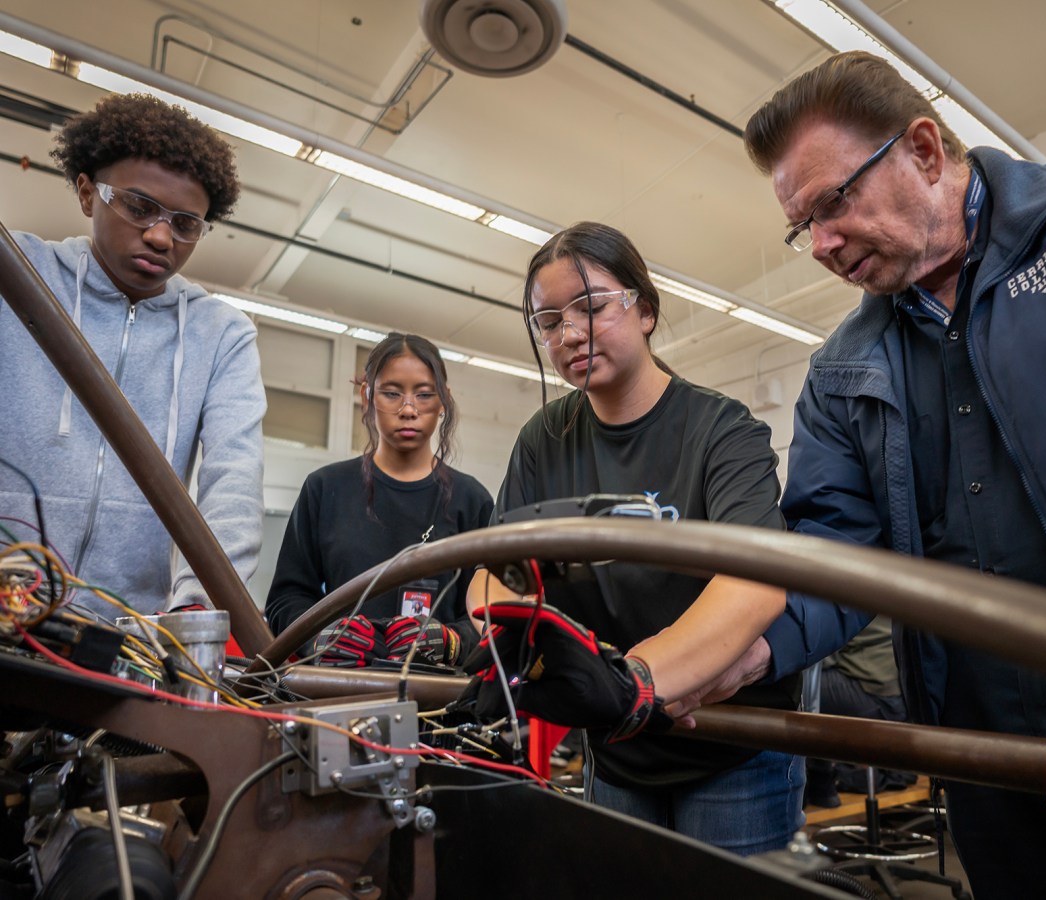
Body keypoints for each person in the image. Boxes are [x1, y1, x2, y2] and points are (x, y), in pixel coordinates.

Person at [703, 50, 1046, 897]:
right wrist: (745, 655)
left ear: (925, 152)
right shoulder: (841, 373)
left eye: (832, 202)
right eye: (802, 226)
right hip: (990, 765)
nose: (820, 244)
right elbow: (831, 554)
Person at [464, 222, 800, 856]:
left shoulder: (721, 430)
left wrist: (630, 681)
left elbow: (754, 585)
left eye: (590, 308)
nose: (568, 335)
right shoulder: (545, 438)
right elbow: (493, 572)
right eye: (548, 321)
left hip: (728, 748)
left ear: (644, 310)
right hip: (616, 748)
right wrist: (507, 643)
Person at [0, 93, 265, 618]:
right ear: (85, 192)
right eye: (139, 207)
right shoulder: (17, 276)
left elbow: (233, 478)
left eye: (186, 224)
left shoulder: (221, 333)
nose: (162, 235)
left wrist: (199, 606)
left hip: (132, 631)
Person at [266, 333, 493, 668]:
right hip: (337, 691)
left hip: (439, 701)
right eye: (391, 393)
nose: (408, 410)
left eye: (425, 394)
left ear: (444, 401)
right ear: (367, 395)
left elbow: (489, 616)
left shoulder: (472, 501)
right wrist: (319, 636)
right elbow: (286, 600)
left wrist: (453, 641)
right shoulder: (325, 488)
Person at [805, 615, 911, 808]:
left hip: (876, 697)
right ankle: (825, 779)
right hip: (902, 699)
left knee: (801, 683)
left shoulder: (845, 590)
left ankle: (820, 781)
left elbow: (820, 651)